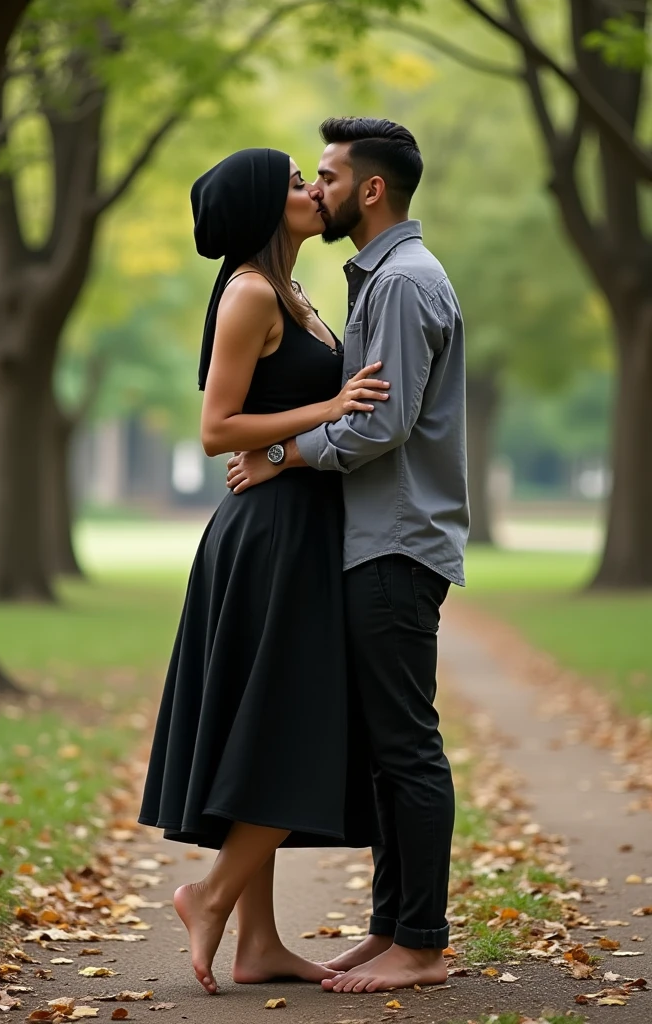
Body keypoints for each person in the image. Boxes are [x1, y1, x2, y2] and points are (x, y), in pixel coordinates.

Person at [226, 118, 470, 994]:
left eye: (325, 176)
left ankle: (424, 945)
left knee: (407, 748)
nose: (314, 189)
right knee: (384, 749)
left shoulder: (402, 284)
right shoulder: (378, 278)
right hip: (375, 537)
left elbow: (380, 424)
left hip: (396, 539)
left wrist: (284, 454)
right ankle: (393, 928)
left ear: (369, 190)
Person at [138, 147, 387, 996]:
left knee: (273, 719)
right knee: (297, 721)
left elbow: (270, 432)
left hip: (298, 523)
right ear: (260, 206)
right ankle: (208, 899)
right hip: (272, 538)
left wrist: (291, 443)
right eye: (293, 183)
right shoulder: (249, 292)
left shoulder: (292, 291)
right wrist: (329, 406)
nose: (313, 191)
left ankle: (261, 943)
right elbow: (216, 428)